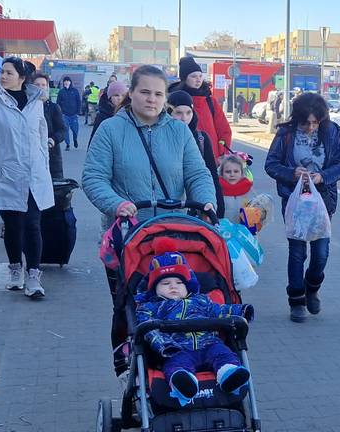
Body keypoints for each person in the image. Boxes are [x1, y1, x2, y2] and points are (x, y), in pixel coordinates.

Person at [82, 65, 217, 375]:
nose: (151, 99)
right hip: (129, 238)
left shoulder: (179, 131)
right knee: (132, 306)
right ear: (131, 93)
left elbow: (197, 172)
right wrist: (117, 203)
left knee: (176, 302)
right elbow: (93, 177)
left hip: (174, 234)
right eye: (144, 92)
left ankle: (179, 363)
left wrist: (205, 200)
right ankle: (132, 368)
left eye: (158, 93)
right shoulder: (111, 130)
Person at [0, 56, 54, 299]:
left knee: (33, 224)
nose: (3, 76)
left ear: (22, 78)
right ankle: (16, 270)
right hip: (6, 174)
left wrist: (45, 166)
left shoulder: (37, 102)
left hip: (34, 174)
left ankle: (34, 276)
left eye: (8, 73)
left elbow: (40, 134)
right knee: (14, 226)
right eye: (2, 72)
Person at [264, 93, 340, 323]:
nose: (311, 127)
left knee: (321, 252)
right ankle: (296, 300)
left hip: (323, 199)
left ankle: (312, 286)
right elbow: (271, 164)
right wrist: (291, 173)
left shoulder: (331, 132)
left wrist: (323, 176)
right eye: (306, 123)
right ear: (297, 119)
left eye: (316, 122)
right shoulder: (286, 134)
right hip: (295, 200)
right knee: (297, 251)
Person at [135, 249, 254, 406]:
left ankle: (229, 375)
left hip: (209, 344)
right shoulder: (152, 307)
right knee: (175, 364)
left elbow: (219, 311)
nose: (173, 287)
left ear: (187, 286)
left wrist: (241, 311)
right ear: (154, 289)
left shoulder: (201, 301)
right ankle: (184, 383)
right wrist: (164, 345)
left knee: (224, 354)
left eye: (179, 283)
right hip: (177, 348)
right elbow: (147, 327)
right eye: (165, 283)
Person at [166, 89, 225, 219]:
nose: (184, 118)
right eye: (178, 113)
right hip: (169, 206)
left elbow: (211, 174)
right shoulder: (161, 138)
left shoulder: (201, 139)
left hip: (197, 206)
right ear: (169, 113)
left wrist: (217, 207)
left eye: (188, 112)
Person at [169, 56, 232, 159]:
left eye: (200, 76)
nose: (198, 79)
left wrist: (221, 152)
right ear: (184, 78)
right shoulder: (174, 100)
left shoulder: (210, 101)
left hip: (212, 157)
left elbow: (224, 129)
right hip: (182, 156)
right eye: (193, 76)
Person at [32, 73, 66, 178]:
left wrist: (53, 140)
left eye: (43, 85)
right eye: (37, 85)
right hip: (30, 155)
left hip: (51, 155)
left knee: (53, 189)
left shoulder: (53, 108)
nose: (40, 87)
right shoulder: (27, 108)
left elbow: (62, 130)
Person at [88, 80, 128, 146]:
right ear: (110, 97)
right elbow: (94, 139)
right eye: (116, 95)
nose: (120, 98)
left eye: (123, 95)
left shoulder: (130, 114)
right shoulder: (102, 116)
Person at [218, 153, 254, 224]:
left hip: (242, 229)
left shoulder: (247, 188)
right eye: (228, 172)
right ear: (222, 173)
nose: (232, 174)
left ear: (241, 173)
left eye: (236, 171)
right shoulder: (217, 190)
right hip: (222, 229)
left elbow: (252, 208)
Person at [56, 76, 81, 150]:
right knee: (66, 130)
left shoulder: (75, 91)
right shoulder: (61, 92)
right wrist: (59, 113)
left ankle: (75, 139)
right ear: (63, 83)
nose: (66, 82)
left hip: (74, 115)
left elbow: (78, 101)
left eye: (68, 81)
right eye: (65, 81)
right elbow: (58, 103)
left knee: (75, 130)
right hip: (65, 115)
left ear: (70, 82)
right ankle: (68, 144)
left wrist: (78, 112)